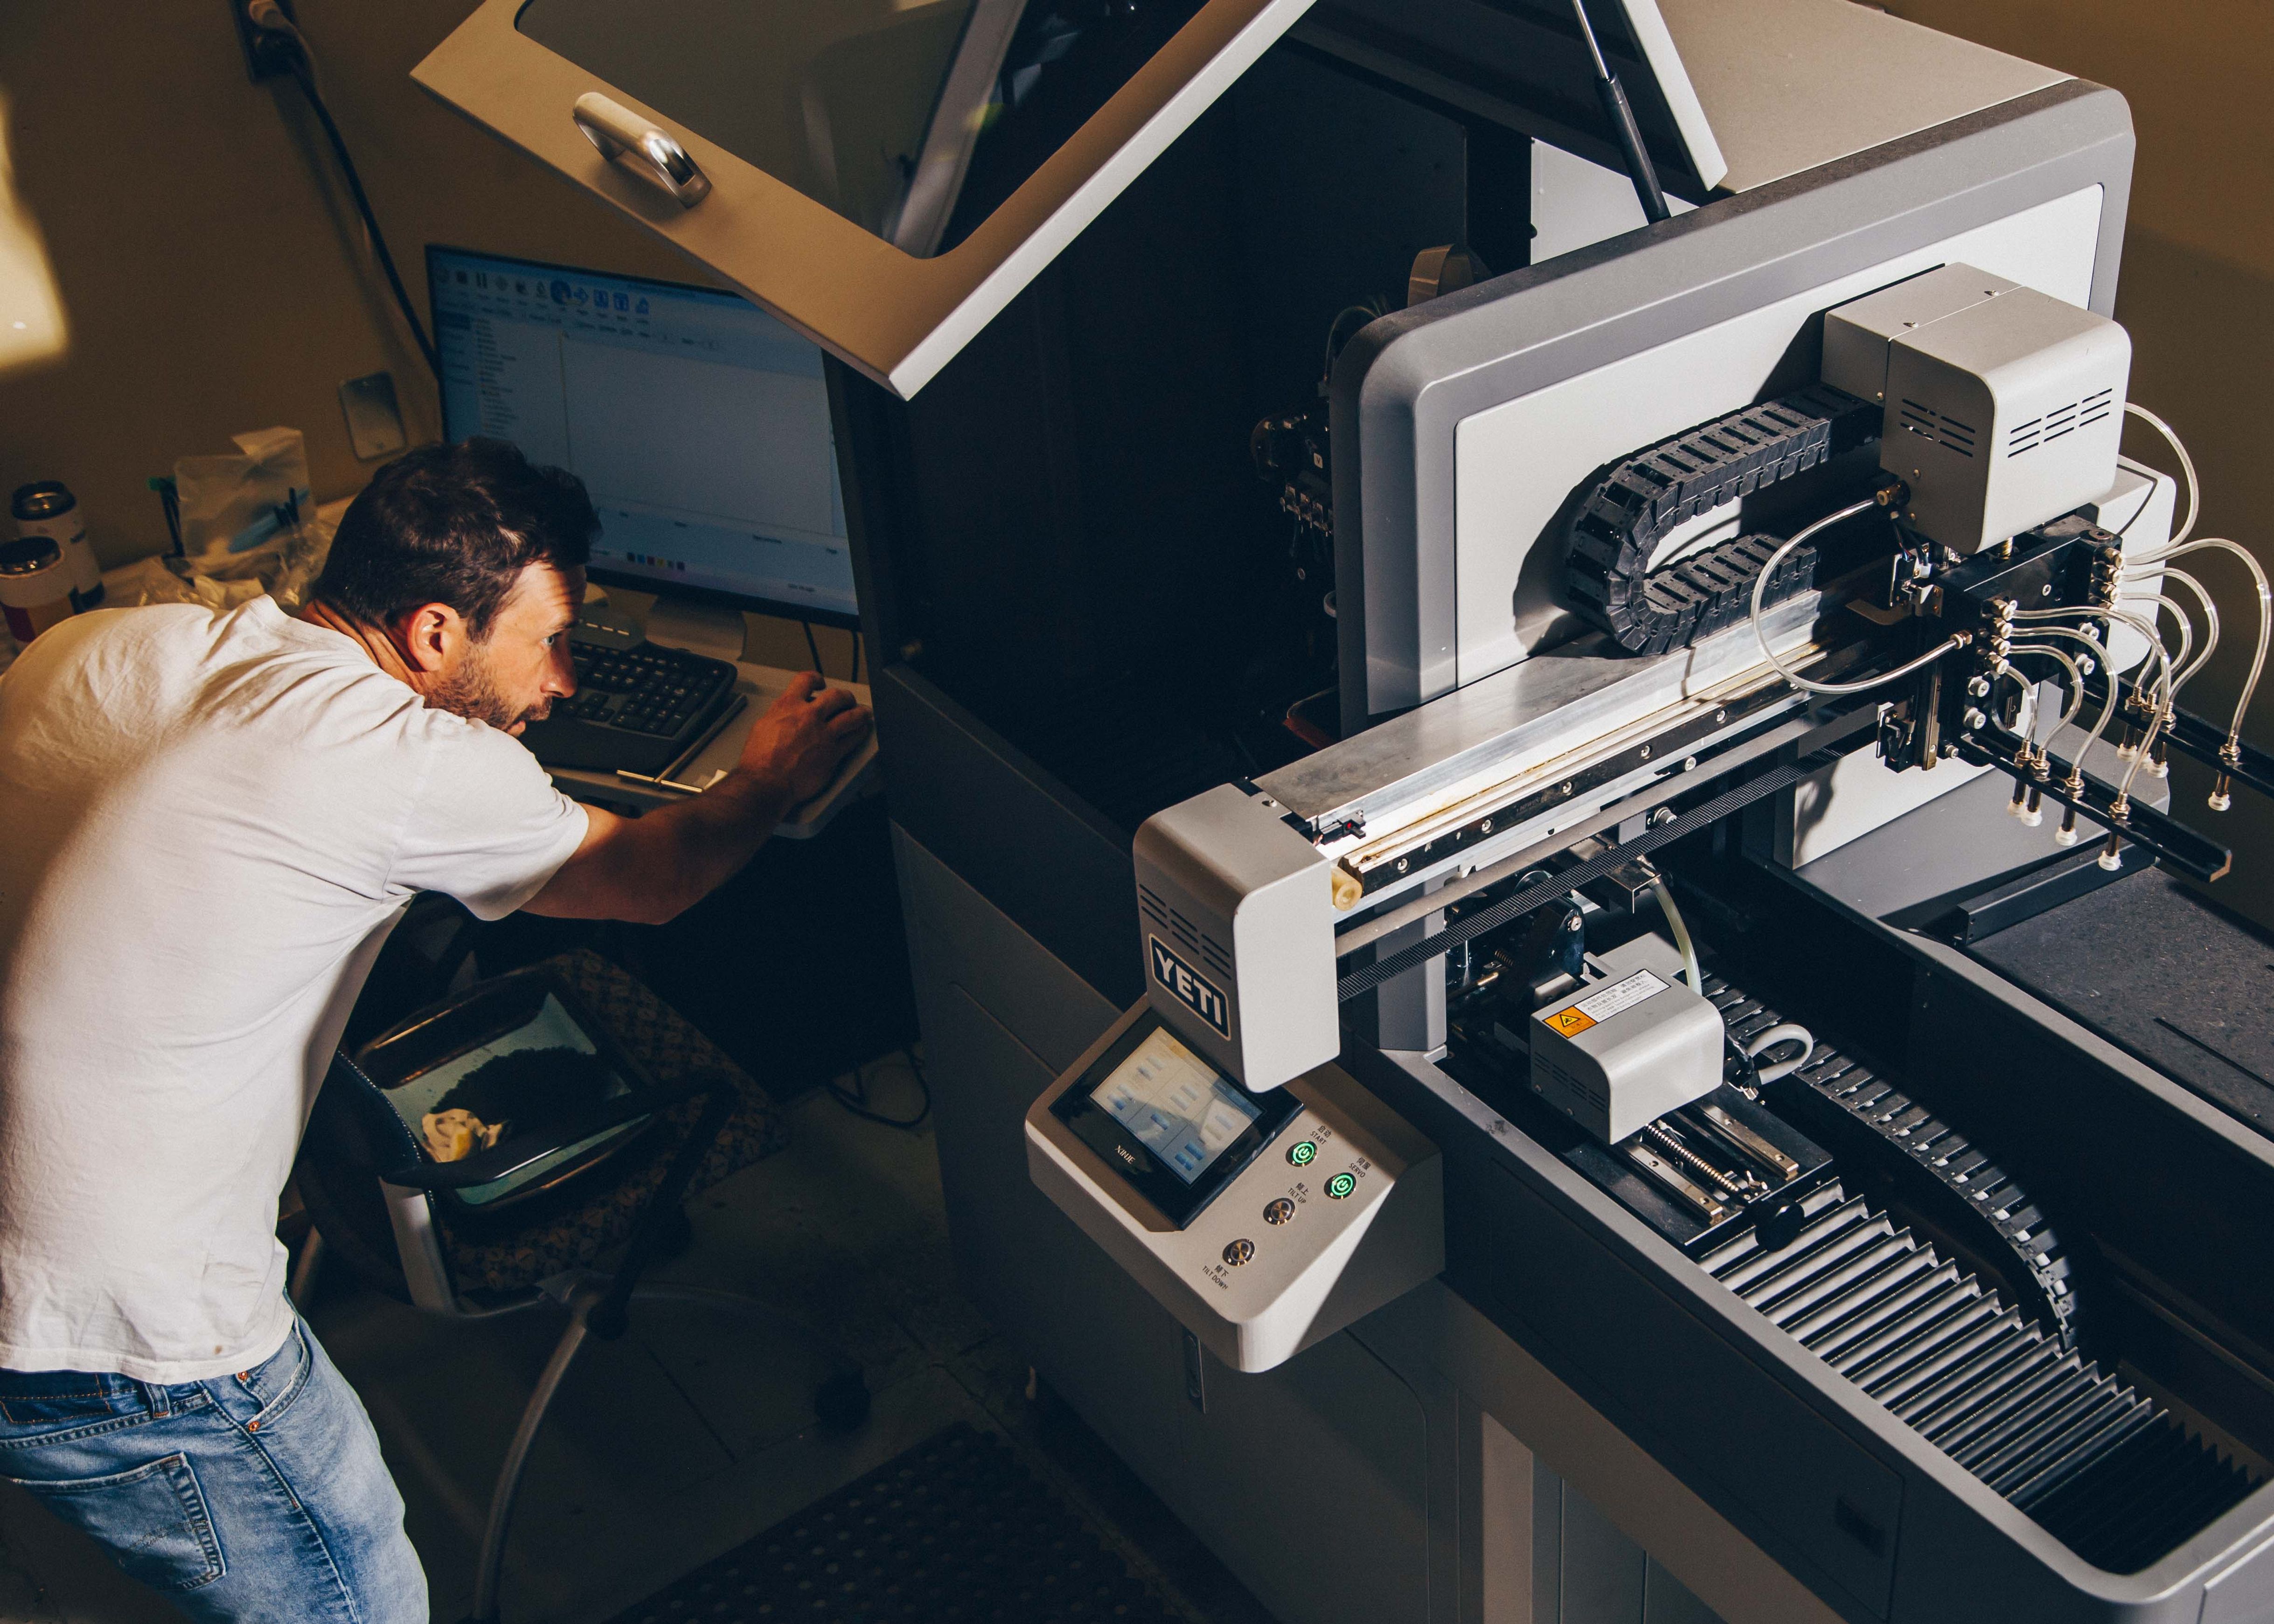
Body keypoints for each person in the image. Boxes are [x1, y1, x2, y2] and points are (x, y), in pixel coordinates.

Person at [0, 438, 870, 1622]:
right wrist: (766, 775)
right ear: (432, 636)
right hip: (120, 1338)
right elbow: (656, 876)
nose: (563, 682)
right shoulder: (407, 763)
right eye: (549, 640)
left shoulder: (92, 642)